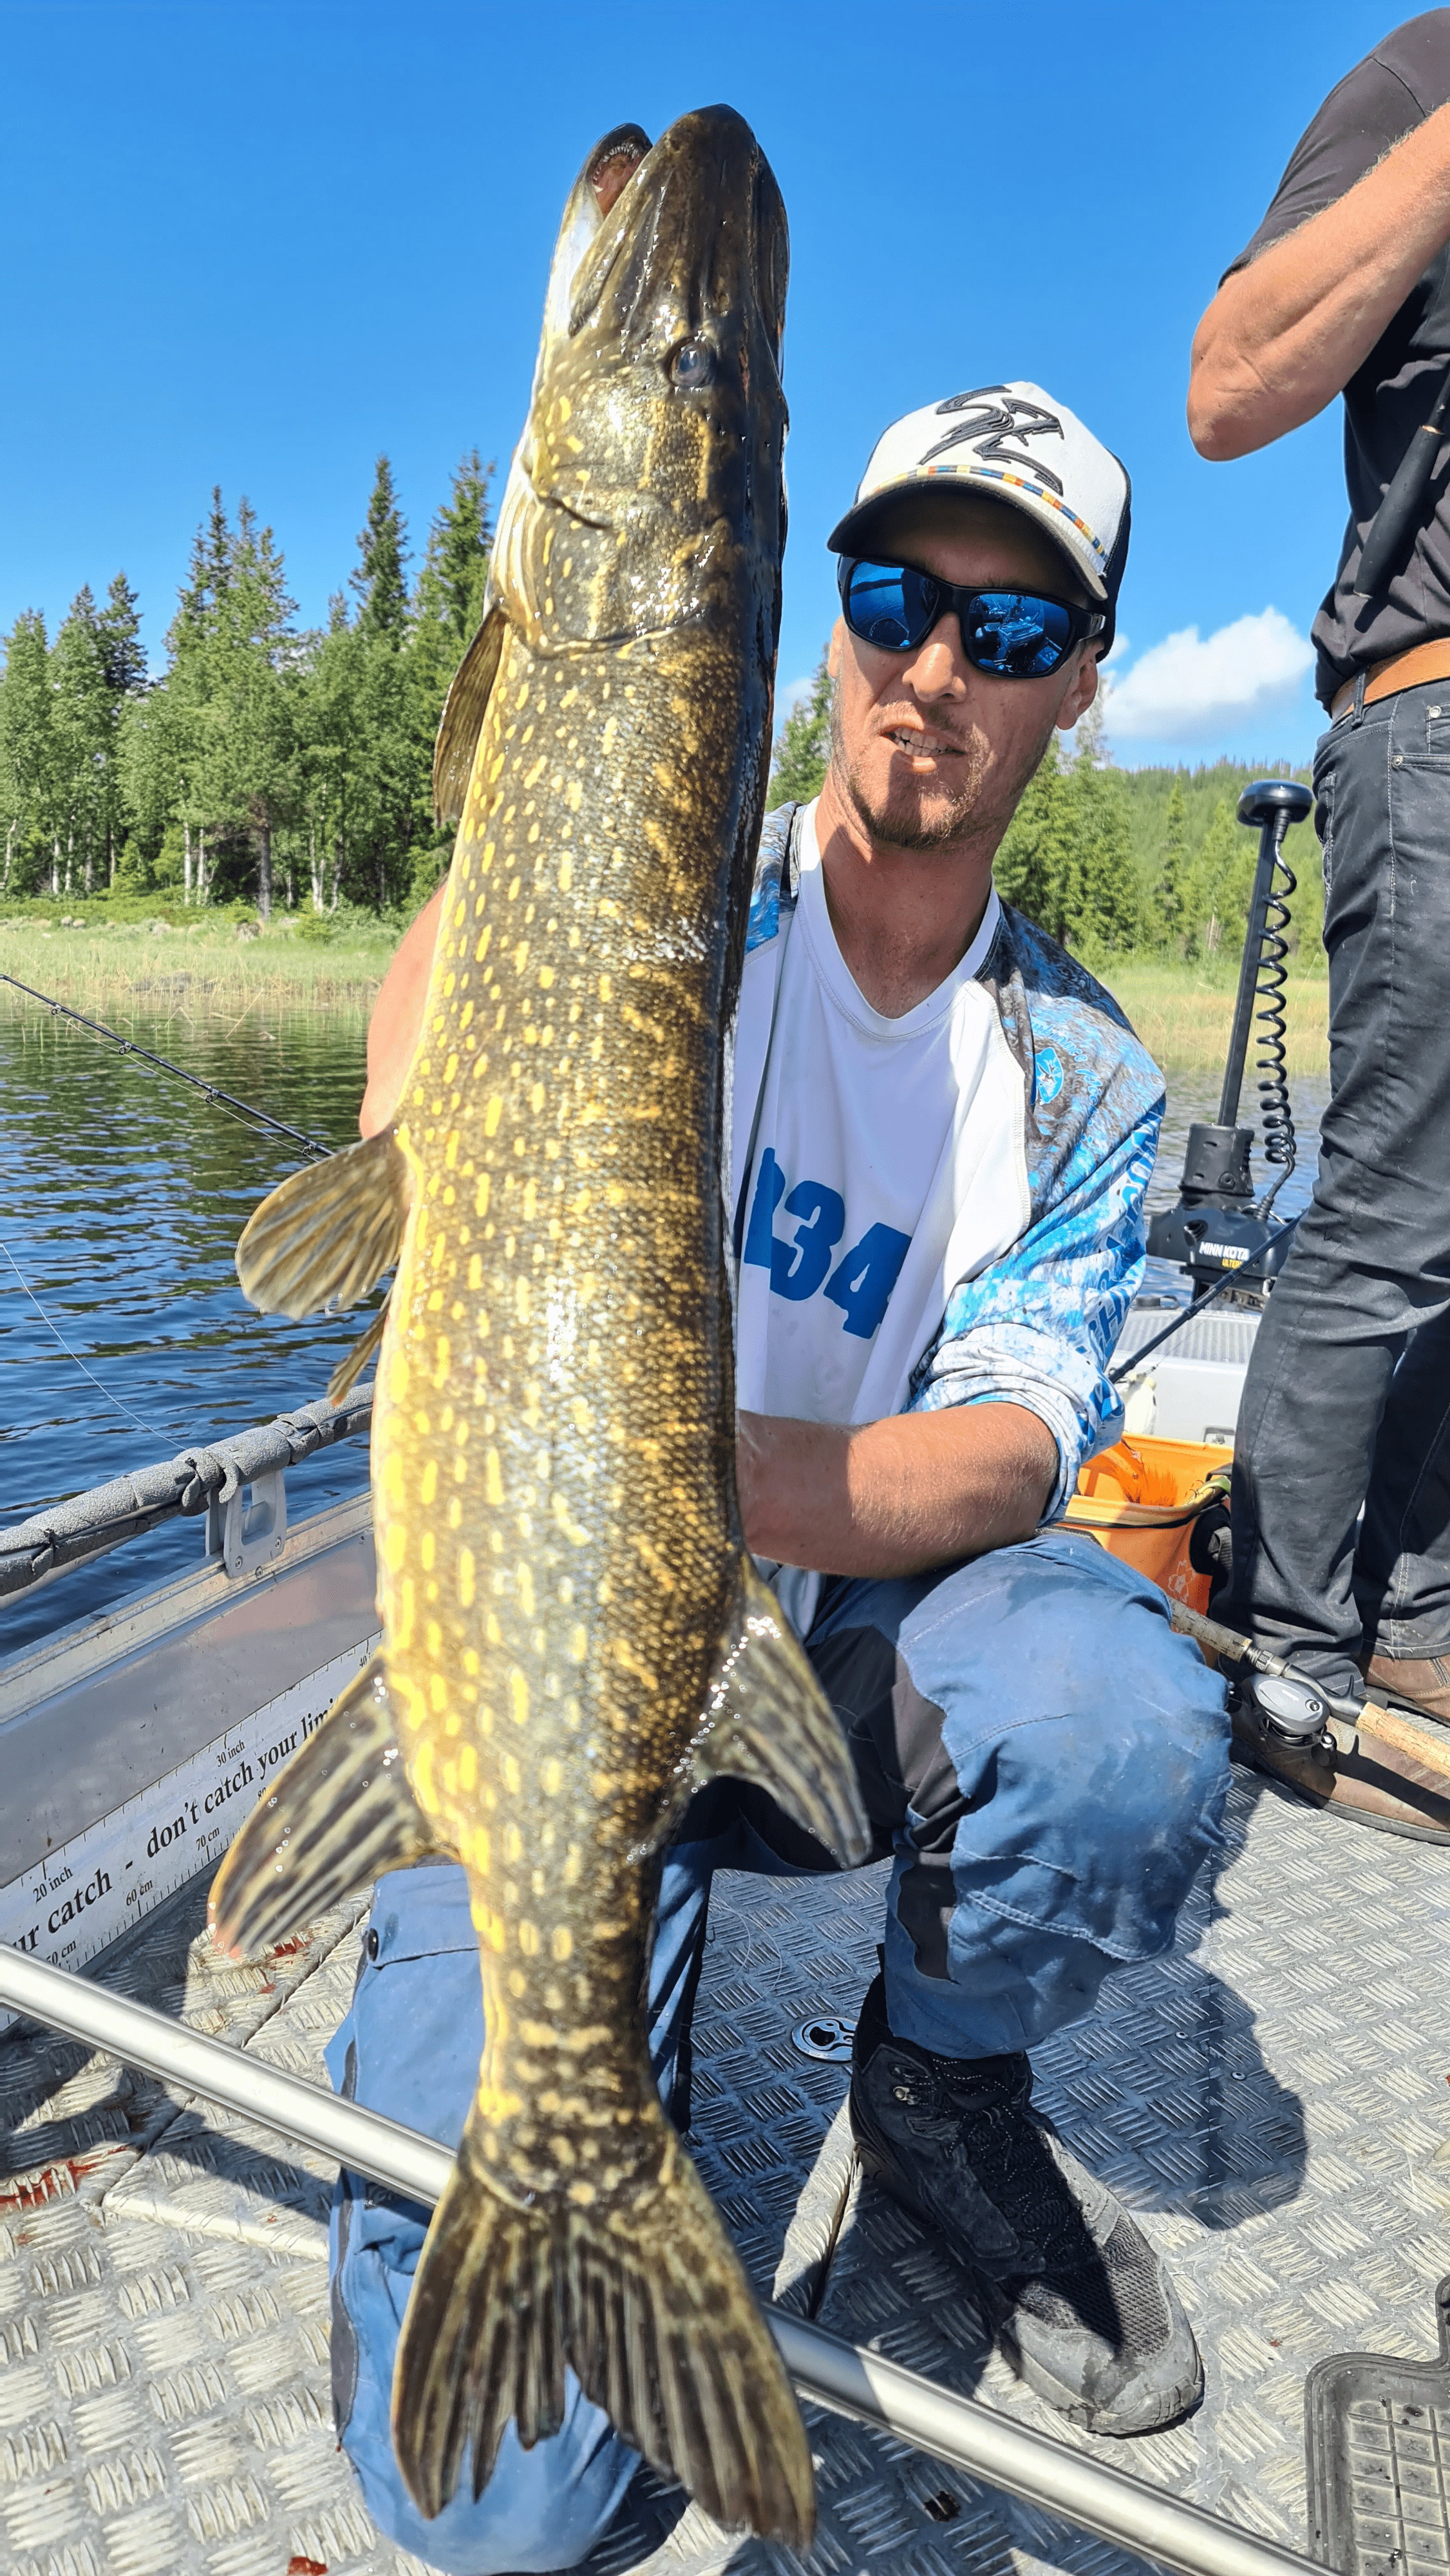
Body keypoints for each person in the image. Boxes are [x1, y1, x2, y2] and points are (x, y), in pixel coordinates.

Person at [326, 384, 1229, 2573]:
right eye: (892, 599)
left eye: (1007, 636)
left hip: (823, 1668)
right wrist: (528, 779)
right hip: (551, 1670)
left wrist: (645, 1459)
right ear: (826, 622)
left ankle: (928, 2084)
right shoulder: (668, 893)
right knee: (494, 2518)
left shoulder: (1084, 1068)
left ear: (1078, 689)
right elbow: (418, 1095)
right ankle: (590, 2127)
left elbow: (1012, 1455)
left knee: (1119, 1723)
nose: (934, 667)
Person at [1189, 11, 1450, 1716]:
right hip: (1433, 716)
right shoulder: (1416, 81)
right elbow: (1228, 386)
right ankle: (1286, 1640)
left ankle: (1413, 1611)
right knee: (1395, 1206)